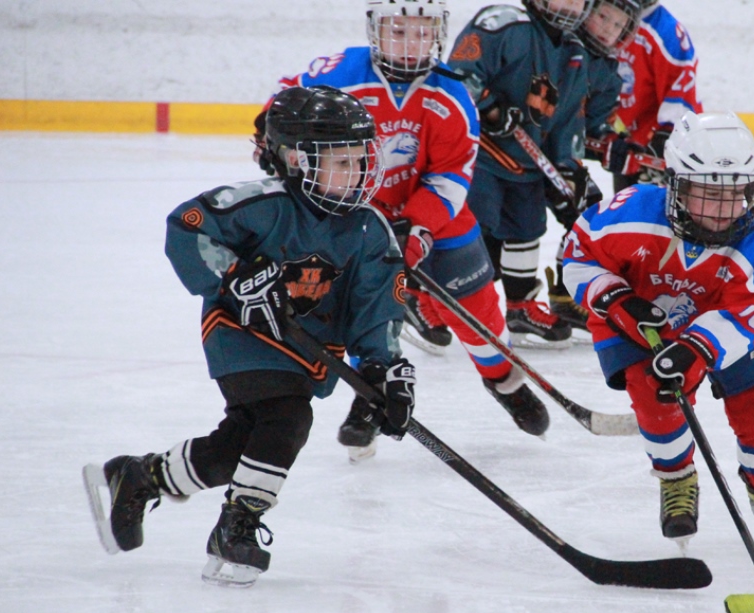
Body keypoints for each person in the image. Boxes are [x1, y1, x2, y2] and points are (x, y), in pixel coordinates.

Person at [83, 86, 415, 587]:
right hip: (242, 333)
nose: (358, 174)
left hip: (308, 352)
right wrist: (233, 275)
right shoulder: (262, 204)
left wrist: (385, 371)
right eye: (341, 162)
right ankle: (238, 525)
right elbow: (189, 226)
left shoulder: (369, 229)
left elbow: (377, 309)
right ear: (297, 160)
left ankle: (141, 475)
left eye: (360, 160)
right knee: (286, 418)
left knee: (236, 447)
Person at [276, 0, 551, 458]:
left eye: (421, 33)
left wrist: (419, 228)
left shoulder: (452, 92)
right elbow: (283, 108)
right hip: (360, 215)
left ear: (438, 34)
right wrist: (274, 139)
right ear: (376, 31)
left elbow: (451, 174)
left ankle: (503, 381)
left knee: (478, 310)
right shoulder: (341, 74)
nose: (410, 44)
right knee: (369, 308)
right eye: (399, 32)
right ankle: (370, 395)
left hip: (436, 216)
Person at [561, 111, 754, 544]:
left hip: (718, 327)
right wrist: (615, 298)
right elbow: (578, 256)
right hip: (634, 323)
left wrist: (697, 348)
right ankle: (676, 480)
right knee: (654, 394)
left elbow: (752, 308)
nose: (723, 210)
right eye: (708, 194)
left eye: (736, 194)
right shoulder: (627, 213)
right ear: (675, 184)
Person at [447, 0, 602, 349]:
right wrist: (487, 105)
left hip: (527, 165)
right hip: (479, 155)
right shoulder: (504, 24)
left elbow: (567, 121)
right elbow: (457, 72)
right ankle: (431, 297)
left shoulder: (575, 54)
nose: (570, 5)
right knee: (474, 227)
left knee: (527, 229)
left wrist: (567, 166)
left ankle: (520, 308)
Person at [548, 0, 648, 330]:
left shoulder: (607, 72)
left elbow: (590, 129)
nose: (608, 27)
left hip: (559, 159)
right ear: (586, 12)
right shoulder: (555, 45)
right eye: (603, 16)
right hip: (519, 152)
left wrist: (613, 146)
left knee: (590, 216)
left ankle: (565, 296)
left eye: (618, 24)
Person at [605, 2, 703, 193]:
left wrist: (666, 138)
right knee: (627, 217)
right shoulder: (608, 16)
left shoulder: (666, 31)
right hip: (627, 146)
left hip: (660, 152)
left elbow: (681, 89)